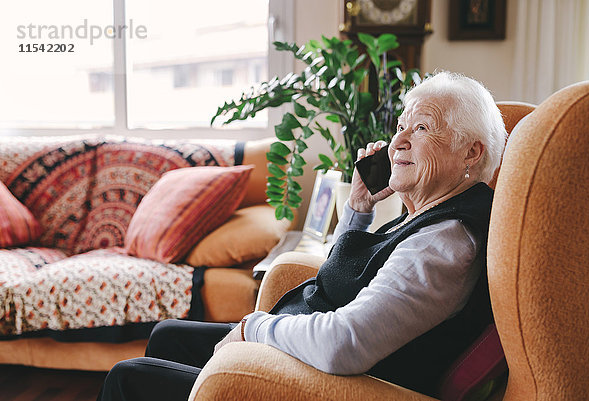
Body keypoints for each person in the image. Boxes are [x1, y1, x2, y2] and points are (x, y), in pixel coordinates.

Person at [97, 71, 507, 400]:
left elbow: (345, 344)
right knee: (167, 333)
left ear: (470, 153)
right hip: (307, 341)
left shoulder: (442, 241)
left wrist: (253, 328)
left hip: (339, 378)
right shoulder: (422, 214)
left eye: (421, 127)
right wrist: (358, 210)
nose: (398, 140)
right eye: (401, 125)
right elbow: (337, 281)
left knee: (129, 378)